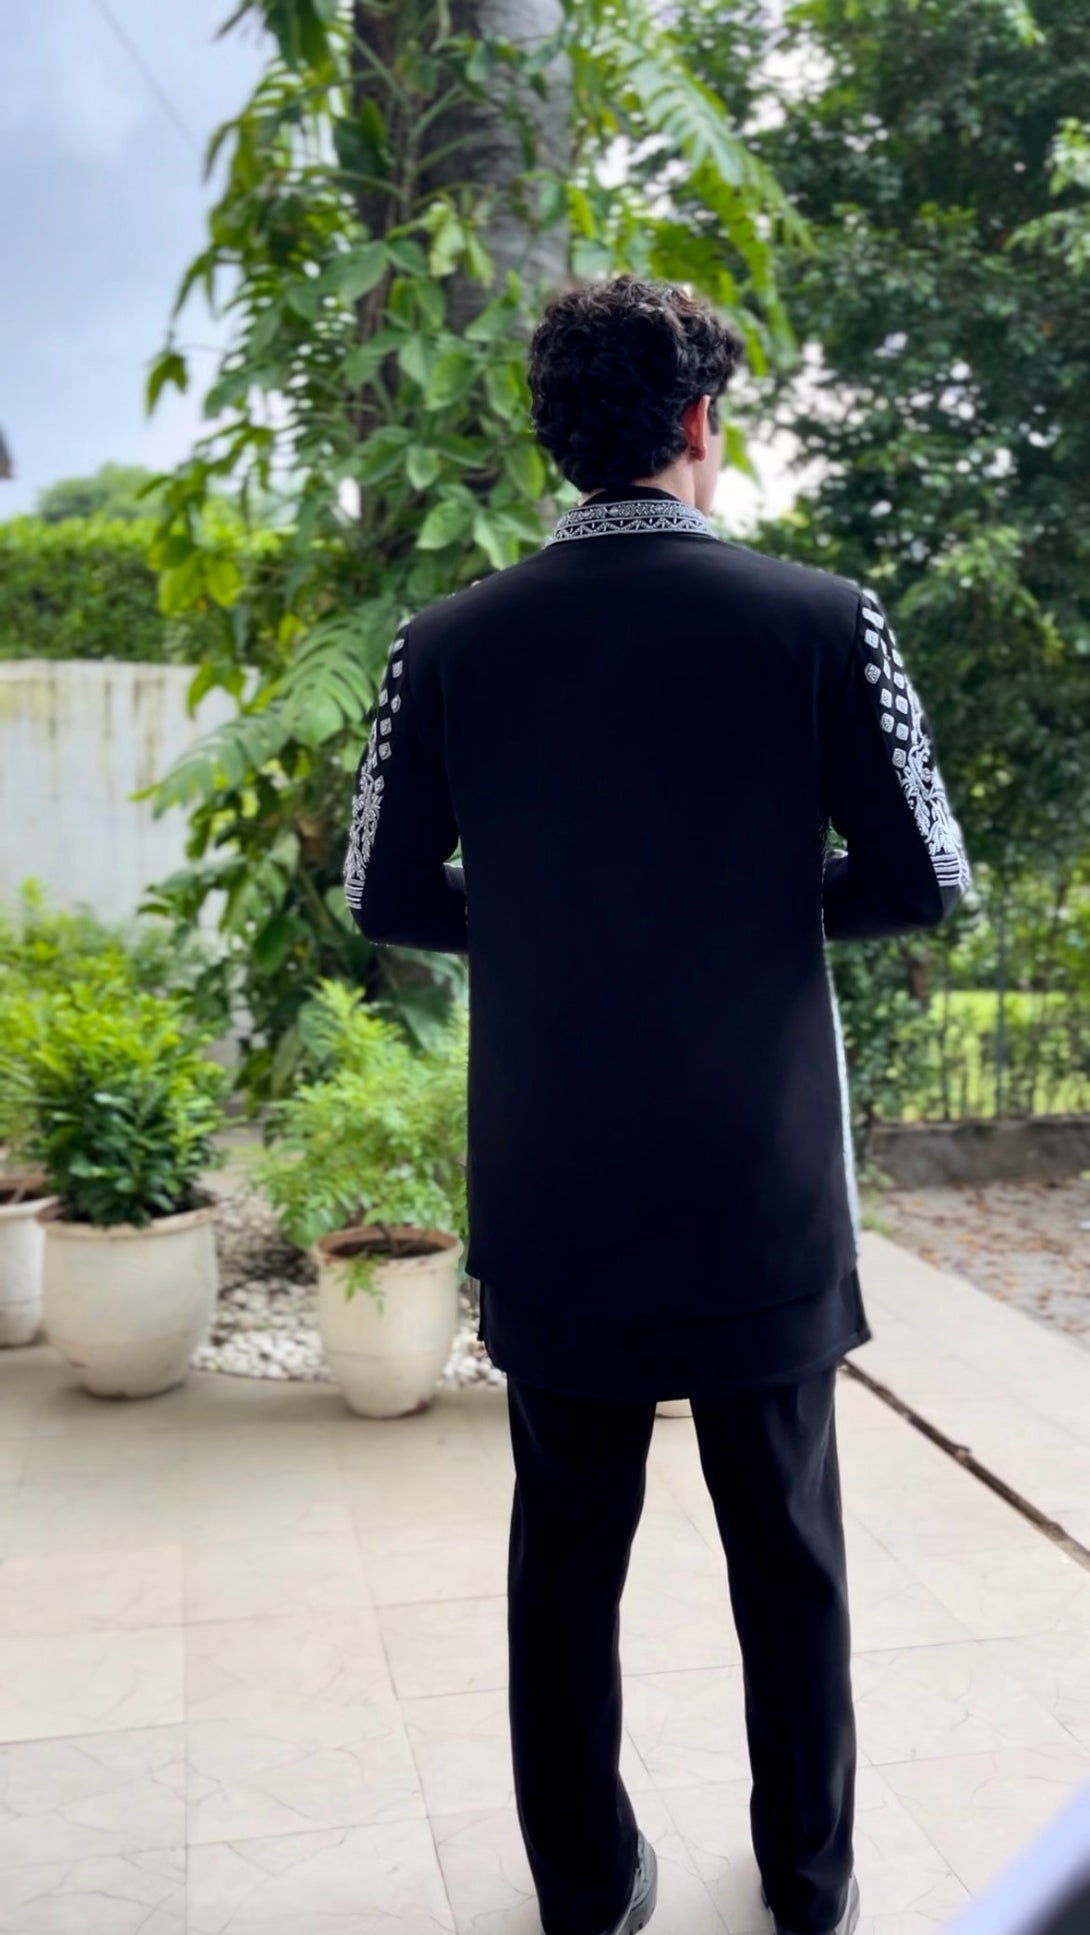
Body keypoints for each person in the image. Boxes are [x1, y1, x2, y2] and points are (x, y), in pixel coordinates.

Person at [343, 274, 971, 1935]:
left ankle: (584, 1888)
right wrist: (747, 901)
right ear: (698, 422)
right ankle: (808, 1886)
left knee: (564, 1553)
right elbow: (922, 874)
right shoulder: (821, 619)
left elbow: (381, 894)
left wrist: (556, 915)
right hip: (758, 1179)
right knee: (790, 1551)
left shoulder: (444, 643)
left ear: (557, 439)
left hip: (554, 1179)